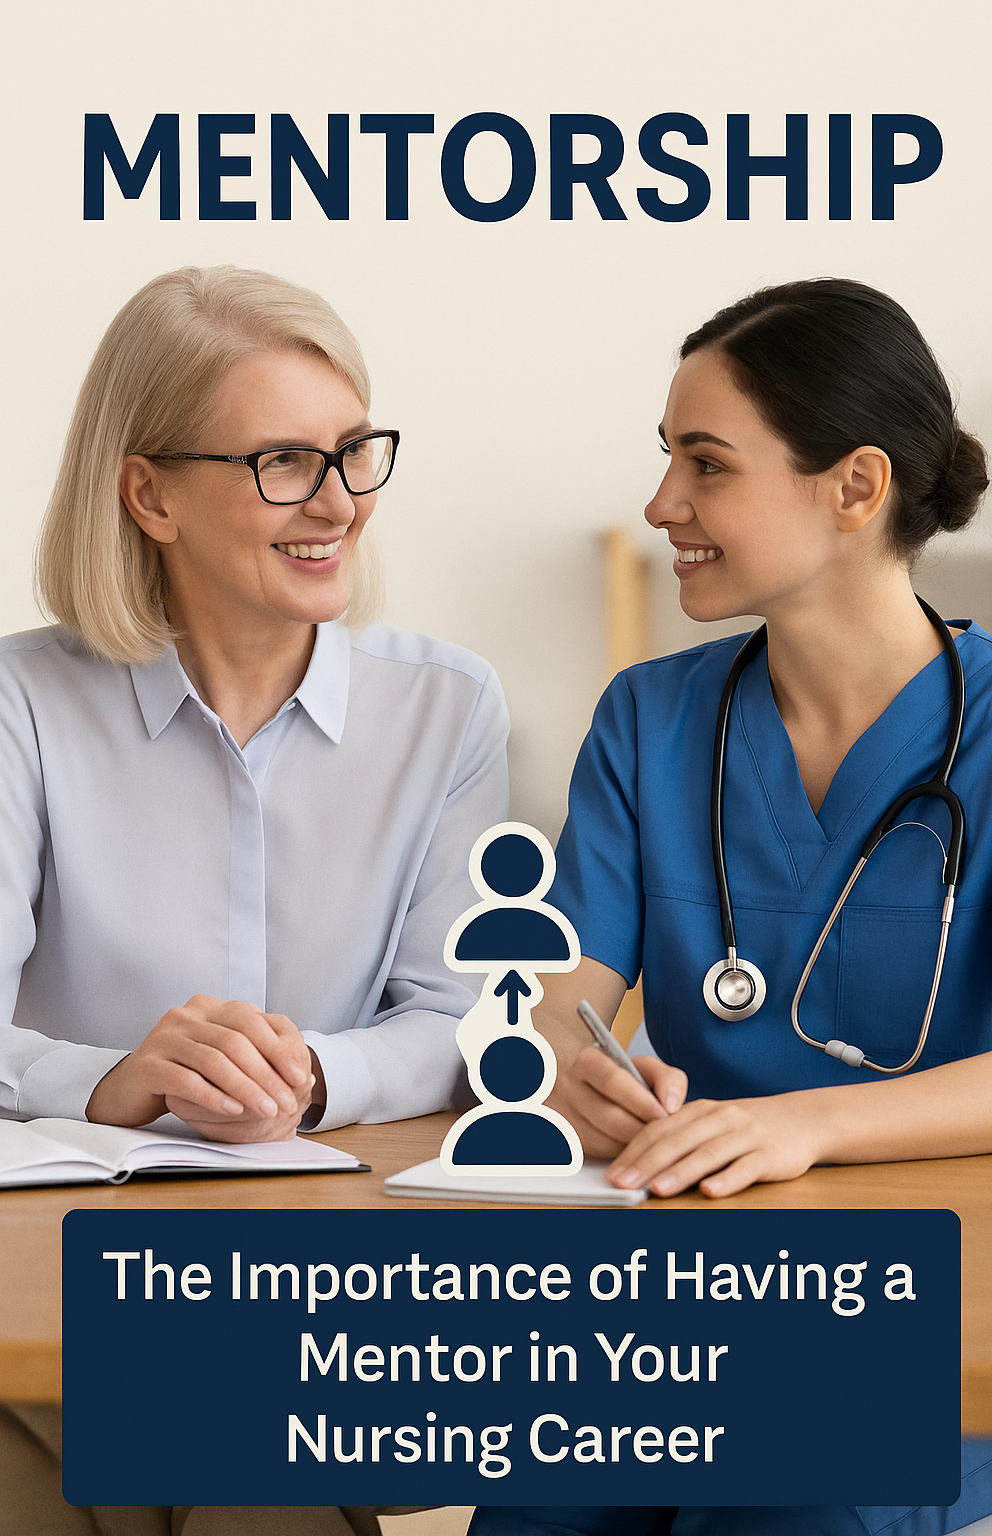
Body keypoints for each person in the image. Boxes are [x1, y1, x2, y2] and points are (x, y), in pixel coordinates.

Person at [472, 281, 992, 1534]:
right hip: (679, 1274)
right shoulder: (648, 721)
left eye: (705, 465)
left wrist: (804, 1128)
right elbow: (557, 1005)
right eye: (667, 460)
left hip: (932, 1290)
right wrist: (571, 1071)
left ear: (855, 487)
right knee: (540, 1497)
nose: (664, 504)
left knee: (778, 1499)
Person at [0, 265, 508, 1536]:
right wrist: (117, 1079)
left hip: (318, 1294)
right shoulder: (22, 706)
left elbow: (463, 1014)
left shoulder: (444, 707)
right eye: (285, 461)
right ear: (149, 493)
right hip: (59, 1285)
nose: (337, 502)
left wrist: (310, 1076)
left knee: (250, 1481)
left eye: (353, 453)